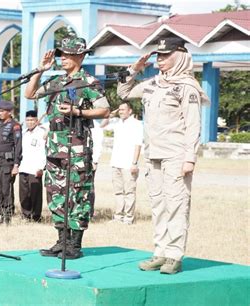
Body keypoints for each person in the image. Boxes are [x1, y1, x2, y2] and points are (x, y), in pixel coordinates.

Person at [117, 37, 206, 274]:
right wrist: (135, 69)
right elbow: (123, 92)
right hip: (153, 154)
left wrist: (190, 158)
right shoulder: (153, 83)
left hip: (176, 155)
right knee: (158, 205)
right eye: (158, 55)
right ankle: (160, 252)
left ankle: (174, 256)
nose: (160, 60)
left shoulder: (187, 87)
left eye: (165, 56)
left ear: (180, 57)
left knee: (176, 204)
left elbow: (193, 125)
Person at [24, 36, 110, 259]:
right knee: (56, 193)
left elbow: (105, 110)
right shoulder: (57, 82)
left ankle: (74, 245)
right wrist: (41, 70)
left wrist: (78, 112)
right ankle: (61, 241)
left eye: (68, 54)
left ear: (80, 56)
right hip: (54, 146)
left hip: (77, 146)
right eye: (61, 54)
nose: (62, 59)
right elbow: (29, 94)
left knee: (77, 195)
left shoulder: (89, 82)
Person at [109, 102, 143, 224]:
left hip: (128, 163)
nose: (121, 111)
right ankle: (118, 216)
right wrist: (111, 114)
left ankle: (129, 217)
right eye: (120, 109)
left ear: (130, 111)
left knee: (129, 192)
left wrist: (134, 163)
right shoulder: (117, 123)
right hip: (116, 162)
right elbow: (103, 125)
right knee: (118, 191)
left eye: (123, 109)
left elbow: (138, 144)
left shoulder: (136, 124)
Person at [18, 110, 47, 222]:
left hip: (35, 168)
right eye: (27, 120)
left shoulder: (41, 133)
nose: (29, 122)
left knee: (35, 193)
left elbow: (43, 152)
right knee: (24, 193)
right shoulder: (23, 133)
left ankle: (36, 216)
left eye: (32, 120)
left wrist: (41, 167)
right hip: (23, 166)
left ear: (36, 120)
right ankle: (25, 214)